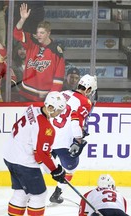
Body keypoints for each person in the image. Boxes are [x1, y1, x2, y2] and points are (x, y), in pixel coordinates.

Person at [2, 91, 67, 216]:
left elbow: (34, 137)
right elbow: (41, 155)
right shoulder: (46, 128)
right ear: (51, 108)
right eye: (59, 110)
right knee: (39, 195)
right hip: (24, 163)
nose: (60, 113)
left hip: (10, 155)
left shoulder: (33, 108)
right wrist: (55, 170)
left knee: (21, 192)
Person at [49, 74, 98, 204]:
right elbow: (76, 123)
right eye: (91, 91)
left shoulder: (64, 93)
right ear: (88, 89)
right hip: (63, 143)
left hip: (48, 136)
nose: (90, 94)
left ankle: (28, 192)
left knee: (38, 163)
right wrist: (78, 139)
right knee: (70, 169)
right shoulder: (85, 102)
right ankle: (57, 193)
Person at [13, 3, 65, 102]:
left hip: (44, 98)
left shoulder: (56, 51)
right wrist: (23, 19)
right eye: (37, 32)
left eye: (42, 33)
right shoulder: (32, 41)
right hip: (25, 94)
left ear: (48, 33)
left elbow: (58, 78)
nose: (39, 35)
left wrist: (52, 97)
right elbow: (16, 33)